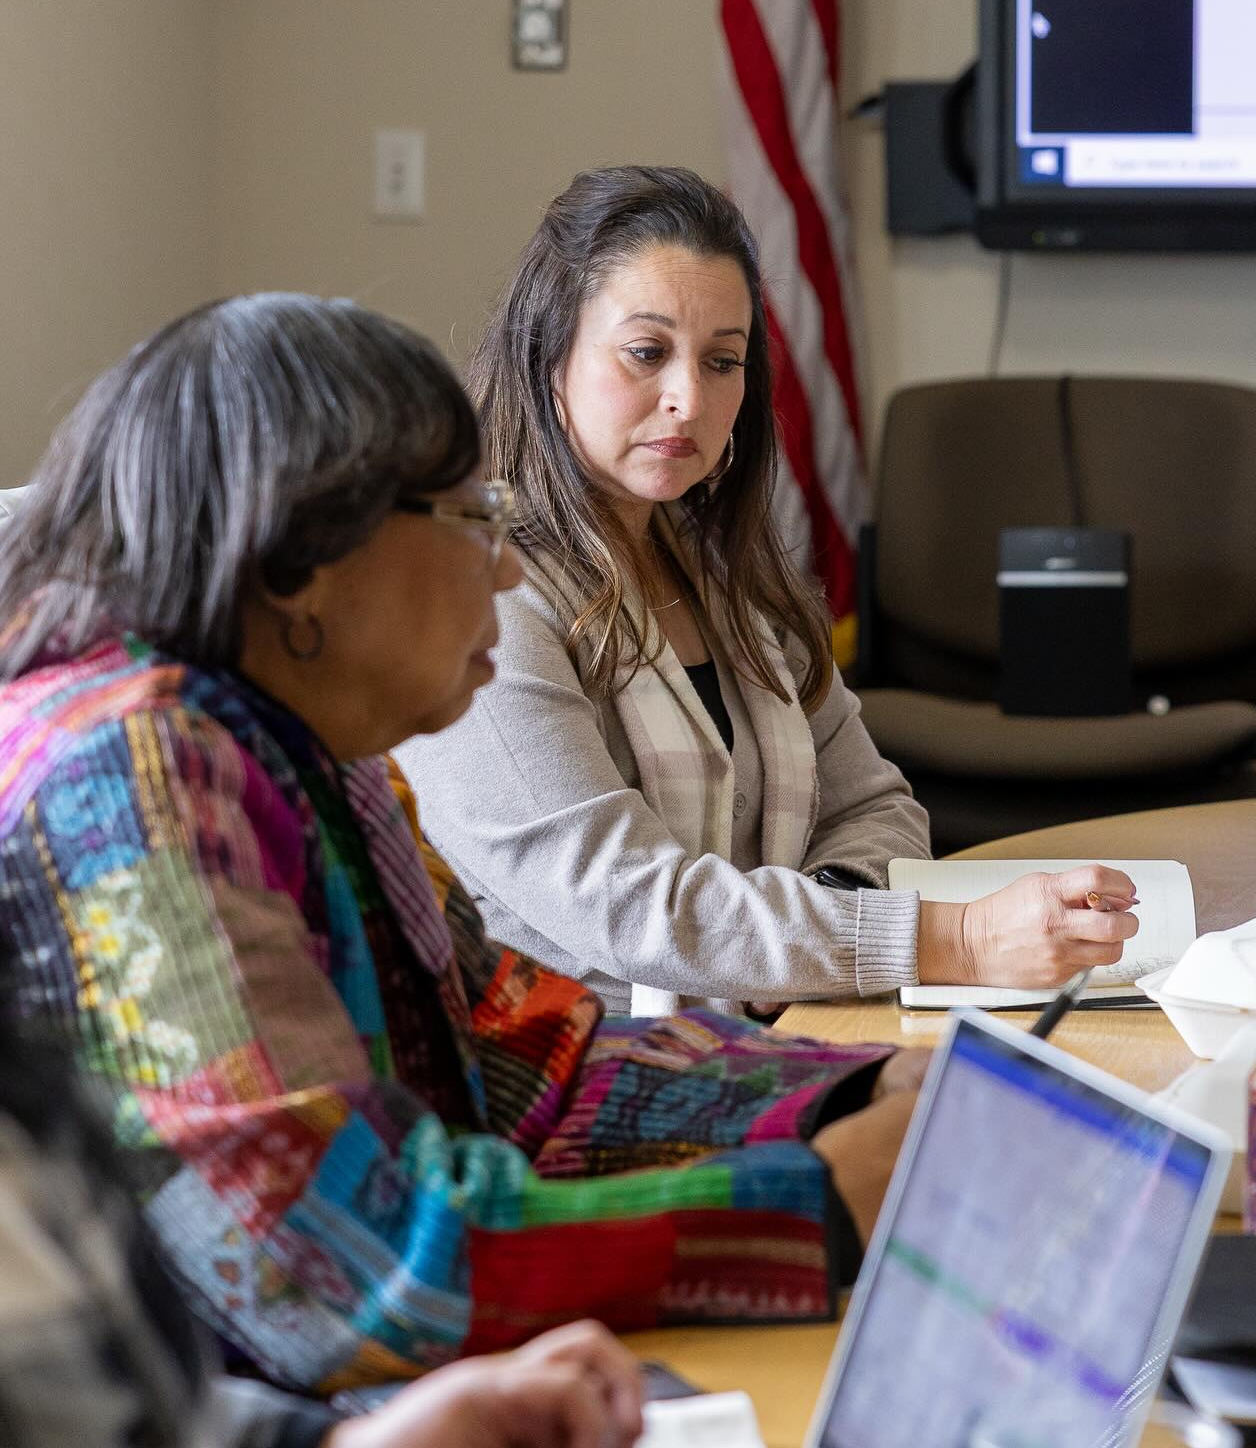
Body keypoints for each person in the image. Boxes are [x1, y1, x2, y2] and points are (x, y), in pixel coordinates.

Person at [0, 293, 920, 1404]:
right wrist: (808, 1203)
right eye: (475, 517)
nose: (508, 568)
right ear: (301, 559)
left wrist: (851, 1093)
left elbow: (518, 1066)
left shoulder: (310, 741)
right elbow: (345, 1269)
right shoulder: (132, 776)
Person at [397, 167, 1139, 1016]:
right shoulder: (483, 600)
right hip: (585, 1079)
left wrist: (806, 931)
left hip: (780, 1028)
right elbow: (634, 905)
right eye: (646, 353)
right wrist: (956, 939)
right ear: (548, 355)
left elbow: (877, 803)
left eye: (723, 361)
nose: (688, 399)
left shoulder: (721, 574)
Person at [0, 939, 645, 1448]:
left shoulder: (29, 1088)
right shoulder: (134, 791)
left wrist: (347, 1442)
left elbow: (153, 1413)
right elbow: (392, 1281)